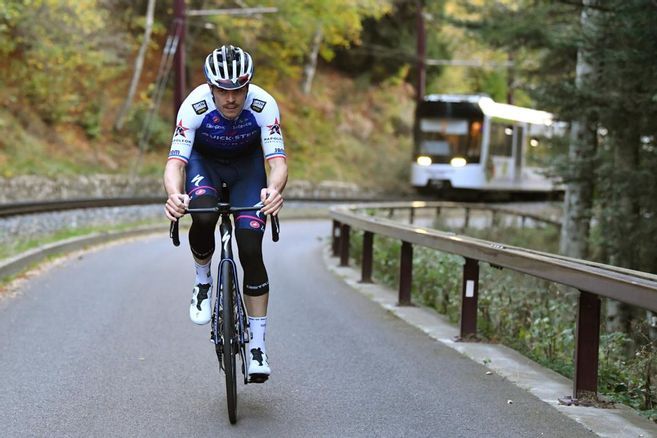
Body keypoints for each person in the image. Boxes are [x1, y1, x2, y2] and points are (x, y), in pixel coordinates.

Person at [163, 44, 287, 383]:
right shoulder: (194, 106)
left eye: (237, 90)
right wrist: (175, 194)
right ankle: (203, 280)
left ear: (247, 87)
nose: (230, 98)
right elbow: (176, 163)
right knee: (202, 214)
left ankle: (258, 347)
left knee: (250, 247)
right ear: (210, 87)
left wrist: (274, 190)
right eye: (222, 90)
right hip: (206, 166)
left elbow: (277, 162)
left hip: (248, 171)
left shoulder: (263, 105)